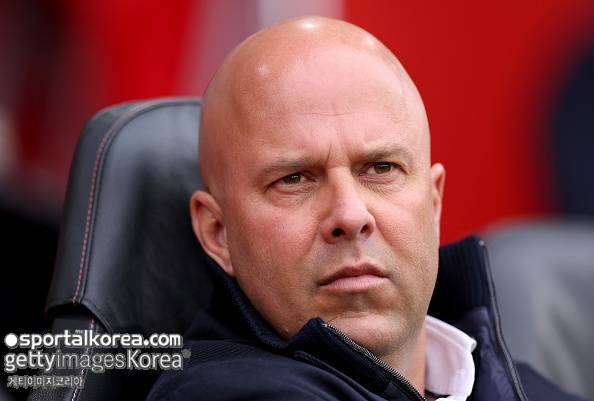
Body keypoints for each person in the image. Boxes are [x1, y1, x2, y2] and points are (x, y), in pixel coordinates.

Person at [147, 16, 586, 401]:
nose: (351, 215)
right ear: (218, 232)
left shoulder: (513, 381)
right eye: (294, 179)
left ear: (433, 203)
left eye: (381, 168)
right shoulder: (222, 393)